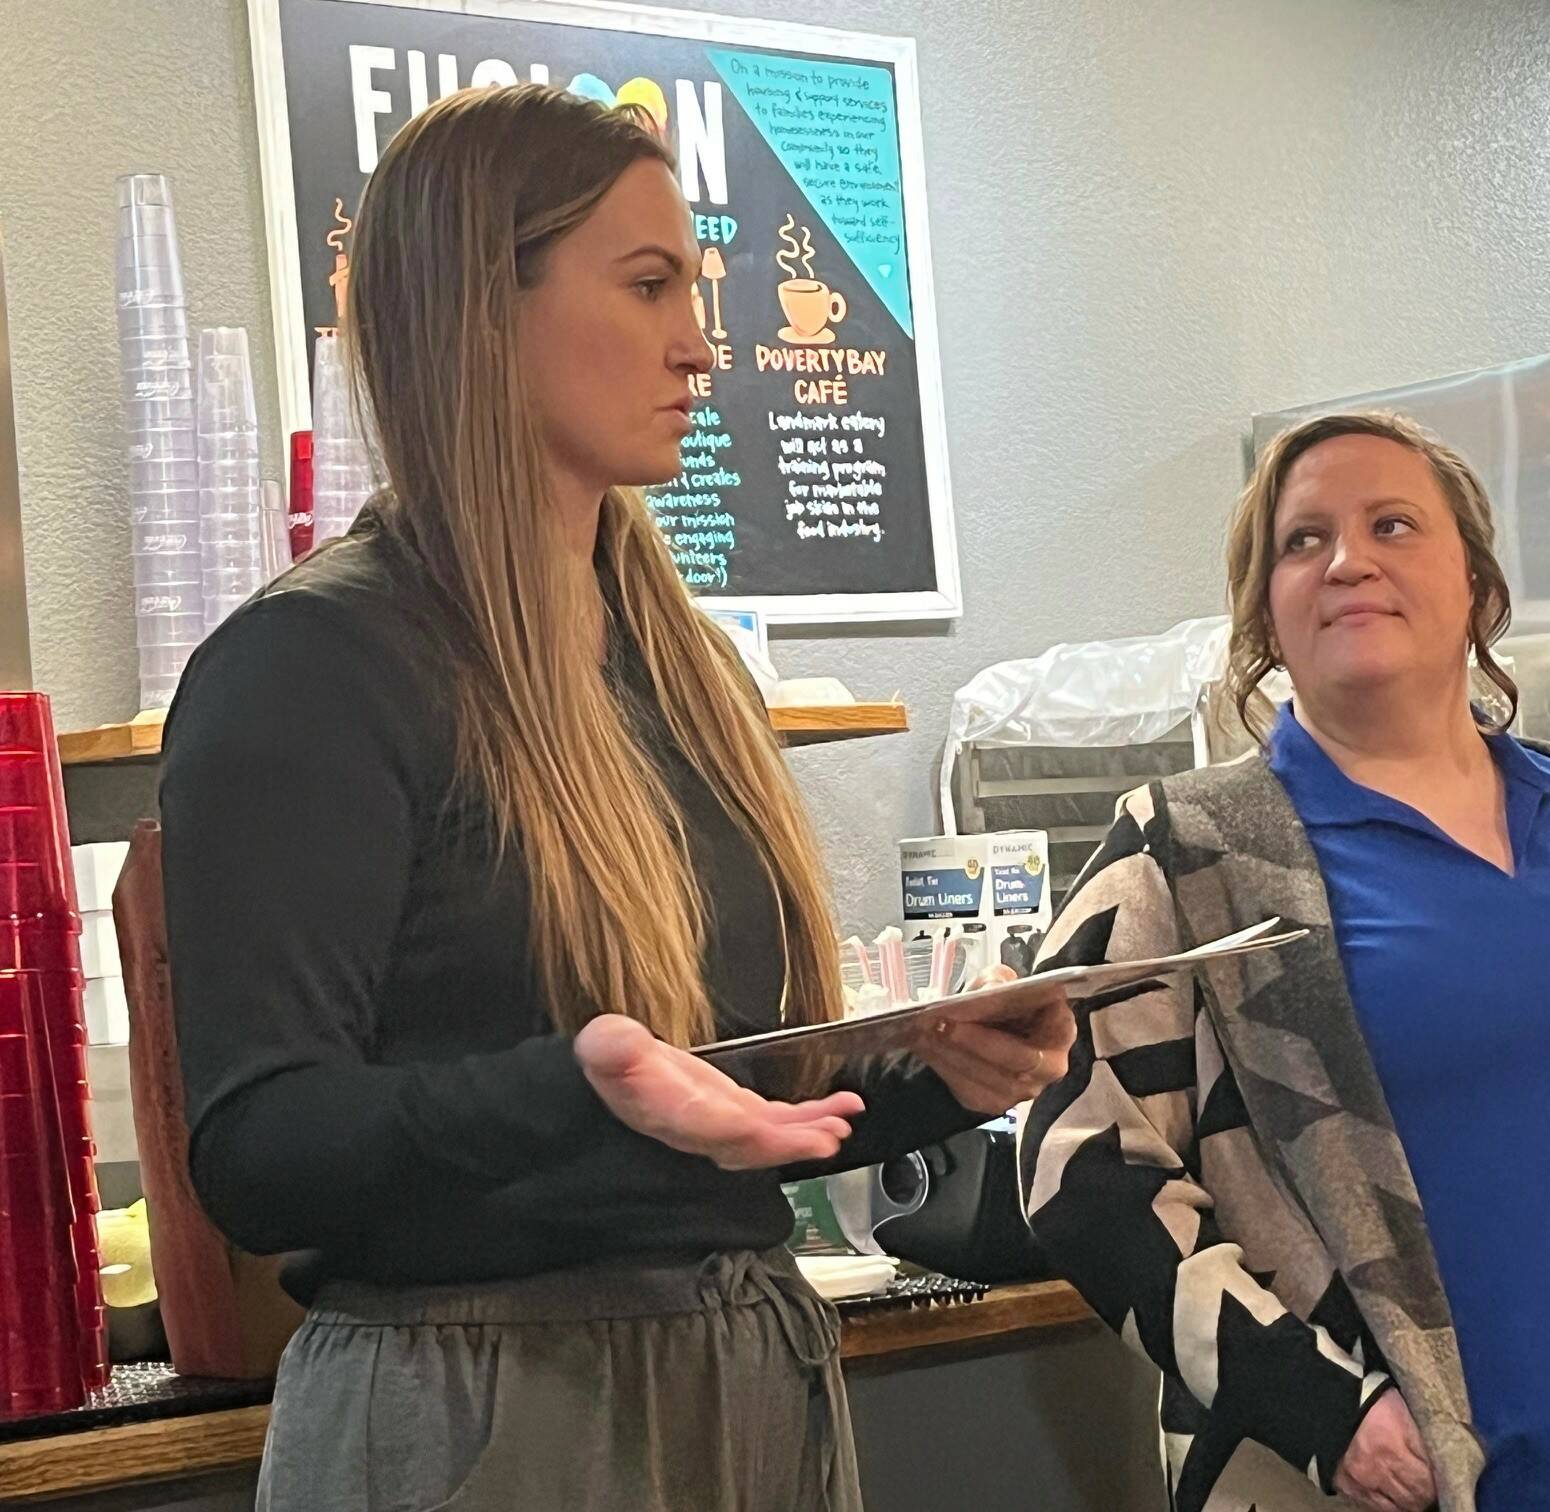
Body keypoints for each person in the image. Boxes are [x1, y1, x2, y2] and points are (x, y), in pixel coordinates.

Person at [160, 84, 1073, 1512]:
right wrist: (576, 1084)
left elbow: (727, 1106)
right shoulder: (312, 666)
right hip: (478, 1417)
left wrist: (918, 1085)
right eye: (648, 286)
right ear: (476, 310)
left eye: (695, 291)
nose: (703, 346)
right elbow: (262, 1152)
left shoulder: (678, 663)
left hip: (744, 1381)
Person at [1019, 411, 1550, 1512]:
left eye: (1392, 524)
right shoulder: (1187, 855)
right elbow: (1081, 1166)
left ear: (1477, 585)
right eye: (1302, 541)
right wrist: (1324, 1412)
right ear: (1265, 614)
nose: (1348, 561)